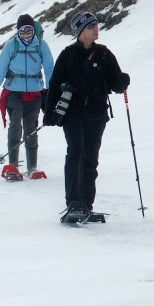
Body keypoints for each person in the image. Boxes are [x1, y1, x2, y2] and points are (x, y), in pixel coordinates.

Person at [43, 12, 130, 222]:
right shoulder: (68, 55)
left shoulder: (104, 54)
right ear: (80, 31)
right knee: (76, 154)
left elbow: (114, 82)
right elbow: (54, 85)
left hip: (97, 115)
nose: (95, 28)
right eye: (91, 26)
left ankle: (87, 205)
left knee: (91, 159)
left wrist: (122, 82)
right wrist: (49, 112)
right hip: (73, 115)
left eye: (96, 25)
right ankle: (74, 203)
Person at [0, 14, 54, 177]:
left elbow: (50, 70)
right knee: (15, 125)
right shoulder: (11, 46)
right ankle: (12, 167)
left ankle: (32, 168)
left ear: (34, 31)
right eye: (23, 31)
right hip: (14, 93)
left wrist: (49, 92)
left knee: (31, 128)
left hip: (35, 94)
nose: (26, 35)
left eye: (29, 30)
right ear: (18, 31)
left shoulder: (41, 46)